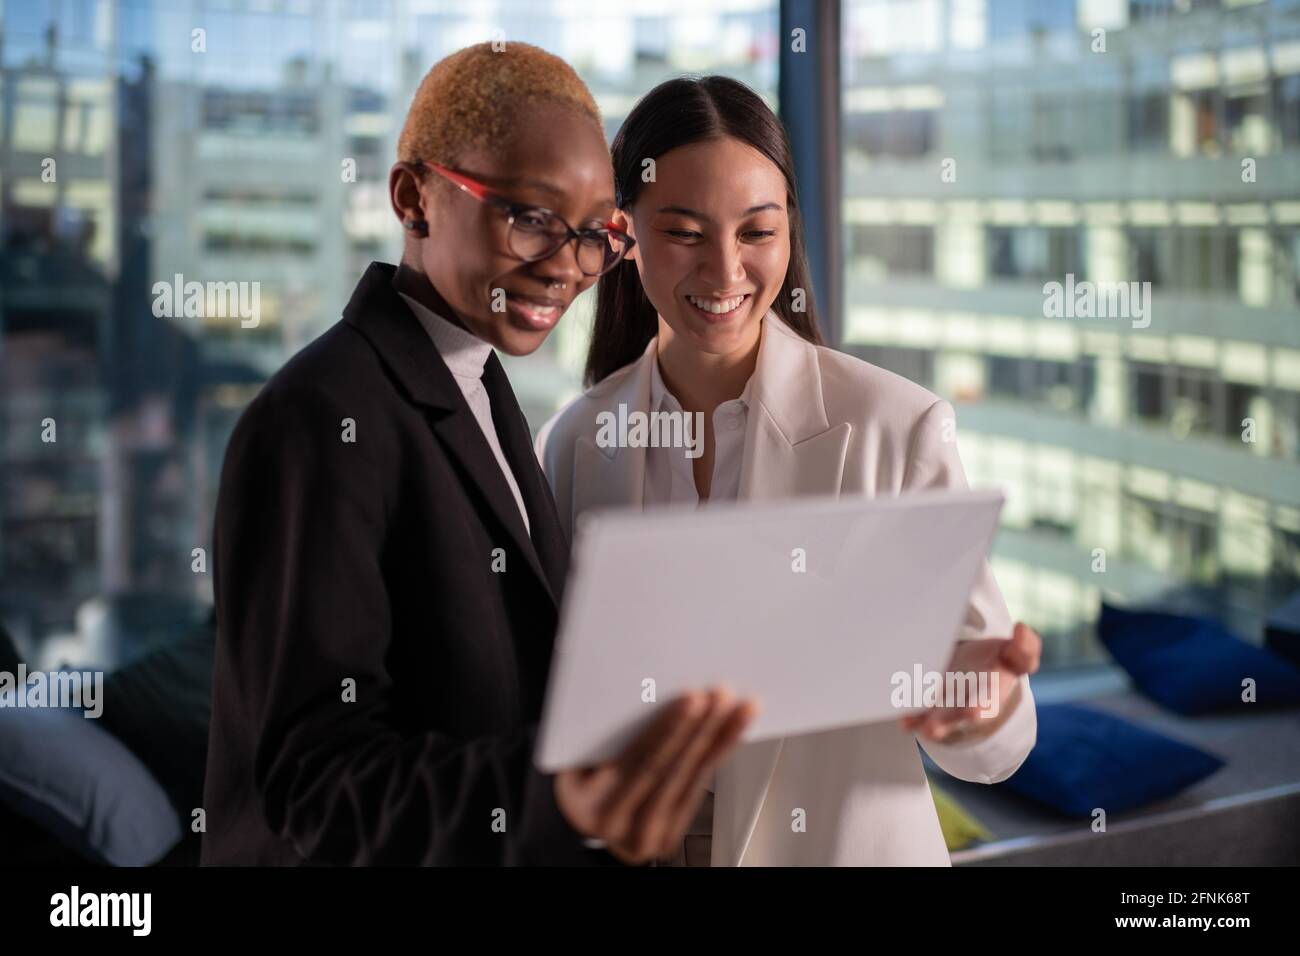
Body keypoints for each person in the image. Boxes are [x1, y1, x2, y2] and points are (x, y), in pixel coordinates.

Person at [202, 44, 755, 866]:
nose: (567, 267)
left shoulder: (481, 386)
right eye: (530, 217)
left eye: (596, 234)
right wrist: (560, 791)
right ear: (413, 198)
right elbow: (314, 784)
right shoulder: (320, 418)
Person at [537, 76, 1041, 867]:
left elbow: (993, 751)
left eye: (756, 232)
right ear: (625, 232)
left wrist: (978, 701)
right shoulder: (577, 441)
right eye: (684, 232)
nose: (725, 269)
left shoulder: (895, 429)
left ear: (789, 233)